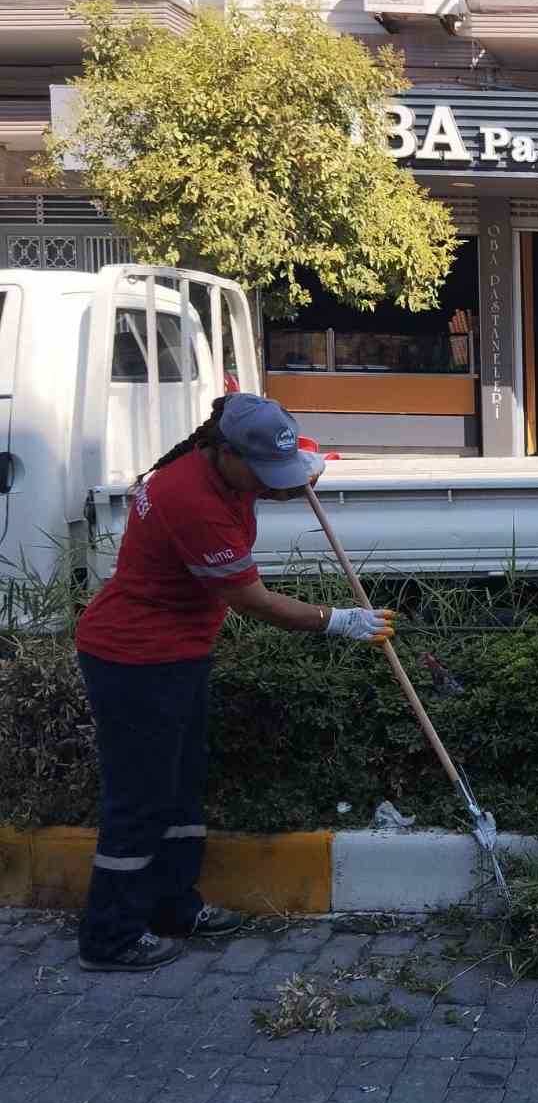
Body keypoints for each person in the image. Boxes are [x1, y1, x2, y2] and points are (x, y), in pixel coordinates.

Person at [74, 394, 396, 972]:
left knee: (181, 784)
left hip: (178, 652)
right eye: (262, 474)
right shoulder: (189, 500)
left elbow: (285, 469)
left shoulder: (222, 468)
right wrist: (338, 621)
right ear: (224, 453)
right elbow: (252, 601)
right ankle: (109, 935)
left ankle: (173, 907)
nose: (271, 486)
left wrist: (298, 471)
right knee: (142, 797)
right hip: (135, 657)